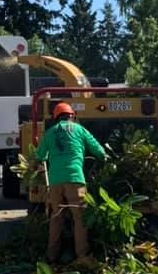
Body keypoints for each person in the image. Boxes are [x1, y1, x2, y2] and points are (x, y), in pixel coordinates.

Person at [34, 102, 106, 265]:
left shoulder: (50, 132)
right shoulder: (80, 130)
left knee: (56, 218)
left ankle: (51, 256)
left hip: (55, 182)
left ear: (56, 118)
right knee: (80, 219)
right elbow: (98, 150)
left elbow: (39, 156)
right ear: (72, 116)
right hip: (75, 180)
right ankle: (81, 256)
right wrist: (105, 158)